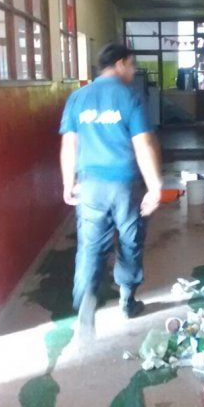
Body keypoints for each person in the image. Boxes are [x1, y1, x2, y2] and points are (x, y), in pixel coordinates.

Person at [59, 43, 163, 336]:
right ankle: (127, 299)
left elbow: (70, 144)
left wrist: (69, 182)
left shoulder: (78, 97)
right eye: (131, 65)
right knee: (130, 241)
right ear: (119, 63)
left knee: (91, 245)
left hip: (89, 185)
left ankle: (86, 300)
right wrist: (155, 186)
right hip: (124, 185)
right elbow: (143, 144)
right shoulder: (129, 97)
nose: (132, 71)